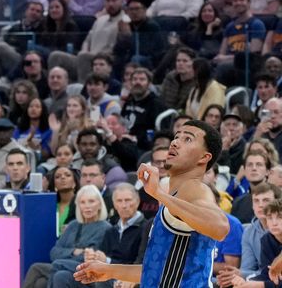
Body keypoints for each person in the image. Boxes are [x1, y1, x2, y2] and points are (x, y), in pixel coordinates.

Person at [73, 120, 229, 287]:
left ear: (204, 157)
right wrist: (109, 270)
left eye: (188, 139)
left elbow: (220, 227)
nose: (175, 142)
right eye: (176, 137)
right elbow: (156, 270)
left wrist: (158, 194)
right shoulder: (177, 196)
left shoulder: (195, 189)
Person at [51, 183, 146, 288]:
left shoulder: (145, 228)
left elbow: (138, 262)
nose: (124, 205)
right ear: (114, 204)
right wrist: (94, 256)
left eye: (128, 200)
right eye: (119, 201)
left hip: (126, 276)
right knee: (61, 276)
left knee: (58, 265)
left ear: (137, 202)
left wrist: (106, 261)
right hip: (104, 272)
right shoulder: (113, 230)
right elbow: (54, 251)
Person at [23, 185, 110, 288]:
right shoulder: (73, 225)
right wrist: (73, 251)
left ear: (100, 205)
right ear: (78, 206)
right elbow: (54, 253)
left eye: (91, 201)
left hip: (82, 271)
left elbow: (88, 258)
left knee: (42, 269)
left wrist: (65, 256)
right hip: (63, 266)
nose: (87, 206)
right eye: (82, 202)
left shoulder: (105, 228)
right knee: (40, 282)